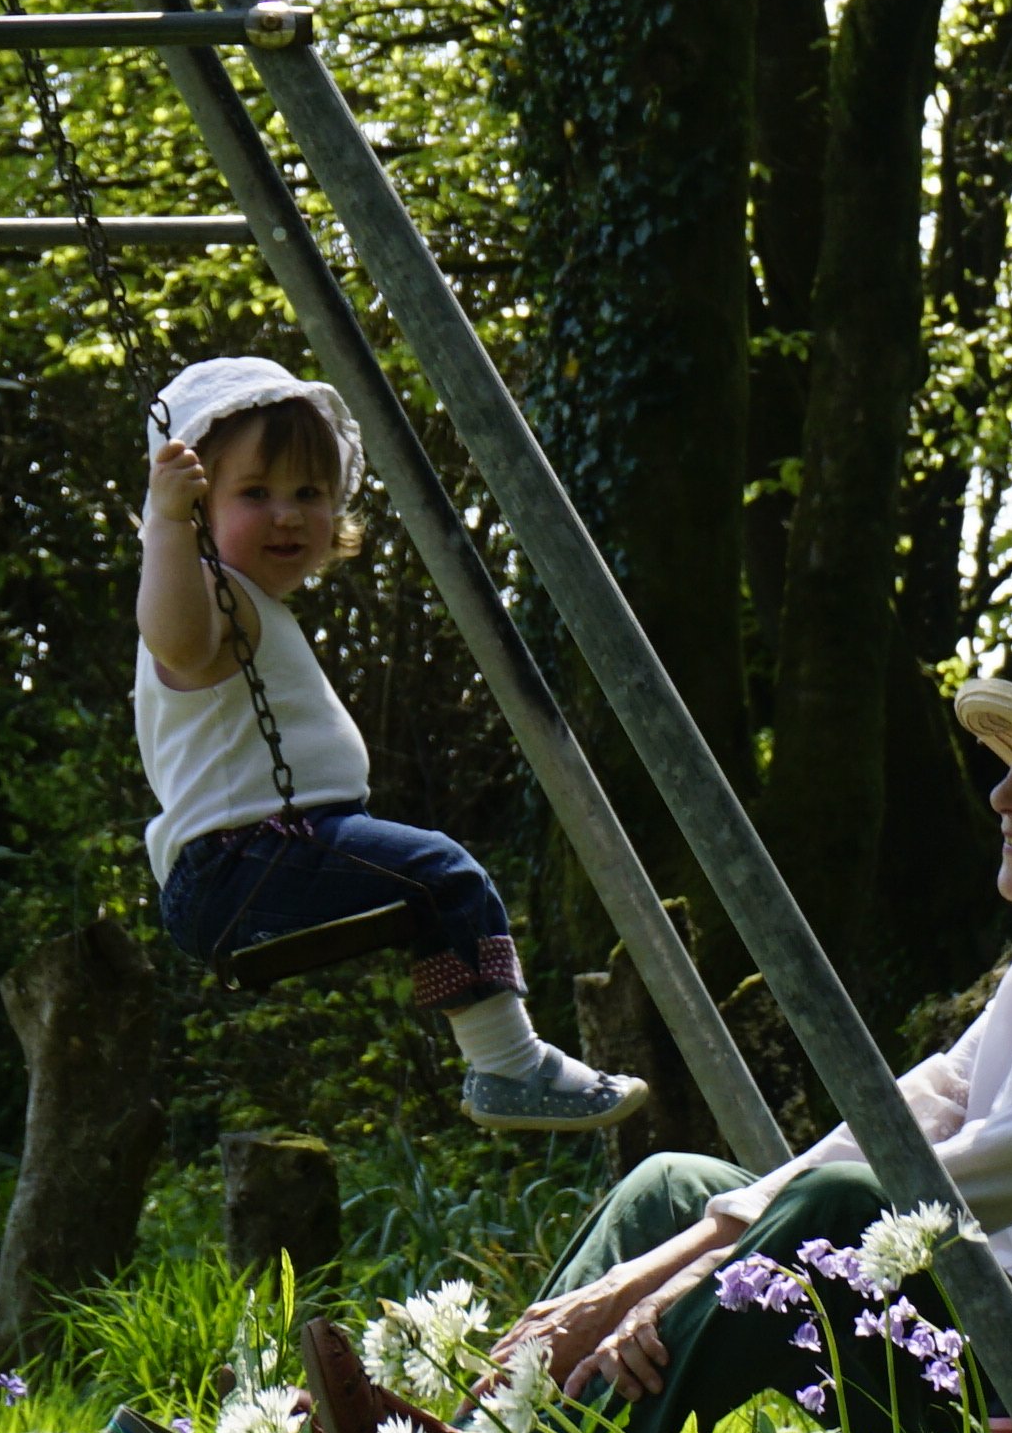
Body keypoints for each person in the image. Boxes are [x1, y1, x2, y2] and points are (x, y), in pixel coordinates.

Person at [447, 641, 1012, 1433]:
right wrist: (643, 1273)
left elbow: (935, 1192)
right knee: (672, 1190)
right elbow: (891, 1129)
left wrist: (678, 1286)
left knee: (838, 1214)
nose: (1002, 793)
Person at [132, 353, 644, 1133]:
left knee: (432, 892)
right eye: (256, 494)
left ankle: (502, 1064)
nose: (288, 515)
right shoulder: (204, 588)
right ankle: (508, 1069)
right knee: (446, 875)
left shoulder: (256, 606)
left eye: (310, 494)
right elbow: (173, 638)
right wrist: (166, 525)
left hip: (264, 856)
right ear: (201, 508)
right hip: (240, 864)